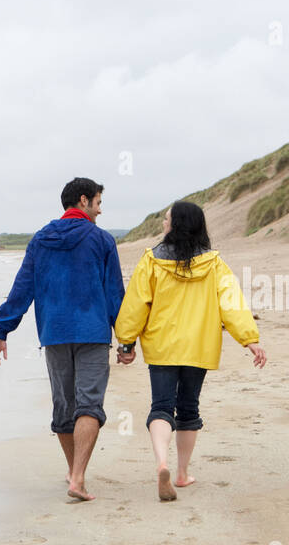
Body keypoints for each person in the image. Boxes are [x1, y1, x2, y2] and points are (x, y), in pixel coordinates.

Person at [114, 201, 267, 501]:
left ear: (177, 224)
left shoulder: (152, 260)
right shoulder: (214, 264)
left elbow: (136, 304)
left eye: (166, 219)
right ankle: (182, 474)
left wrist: (126, 343)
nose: (163, 223)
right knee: (188, 408)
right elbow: (231, 303)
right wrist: (250, 340)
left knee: (161, 407)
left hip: (162, 345)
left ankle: (162, 463)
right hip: (199, 345)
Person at [0, 177, 125, 501]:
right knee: (89, 404)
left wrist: (1, 329)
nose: (100, 210)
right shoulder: (102, 241)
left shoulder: (41, 240)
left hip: (54, 333)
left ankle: (73, 472)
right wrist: (127, 338)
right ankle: (77, 476)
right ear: (83, 200)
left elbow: (23, 288)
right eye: (98, 202)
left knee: (65, 407)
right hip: (92, 333)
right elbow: (115, 295)